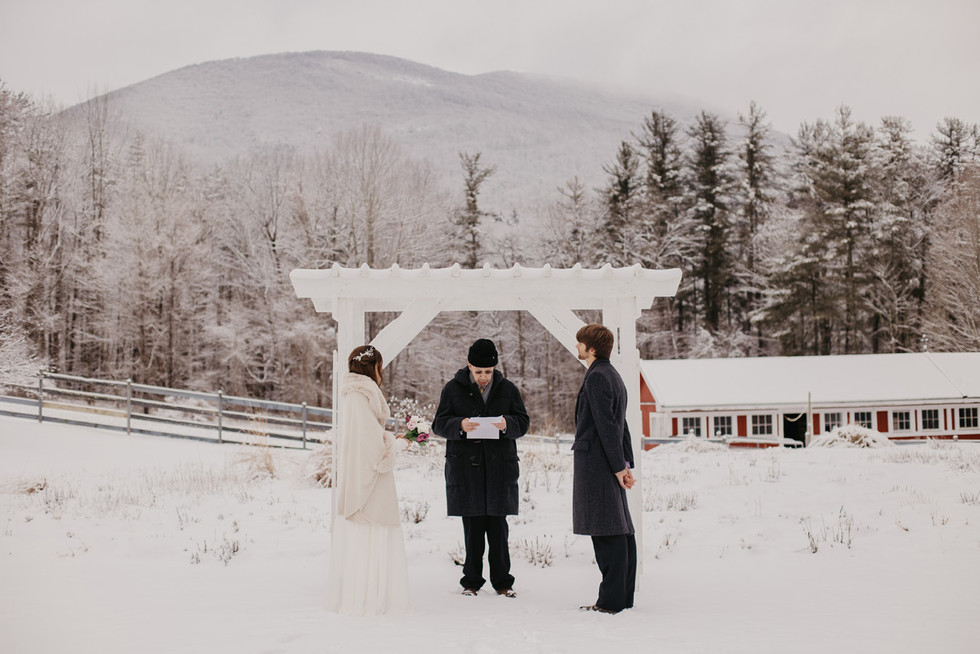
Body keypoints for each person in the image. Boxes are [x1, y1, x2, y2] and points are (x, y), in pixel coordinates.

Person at [432, 338, 530, 598]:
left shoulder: (508, 389)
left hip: (499, 469)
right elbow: (438, 424)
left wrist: (507, 423)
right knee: (472, 528)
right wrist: (459, 426)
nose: (484, 377)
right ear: (469, 366)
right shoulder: (452, 389)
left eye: (488, 372)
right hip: (467, 469)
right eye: (479, 372)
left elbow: (523, 422)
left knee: (499, 530)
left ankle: (503, 582)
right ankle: (471, 582)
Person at [326, 345, 412, 616]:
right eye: (380, 366)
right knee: (371, 533)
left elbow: (369, 437)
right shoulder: (360, 397)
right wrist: (398, 443)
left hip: (369, 475)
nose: (381, 372)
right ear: (372, 367)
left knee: (371, 536)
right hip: (370, 479)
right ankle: (370, 599)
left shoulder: (358, 395)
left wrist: (394, 440)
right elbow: (371, 445)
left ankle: (373, 594)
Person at [572, 323, 637, 614]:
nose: (577, 347)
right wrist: (624, 464)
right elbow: (620, 425)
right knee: (619, 528)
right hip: (608, 461)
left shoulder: (598, 377)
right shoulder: (613, 375)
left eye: (580, 343)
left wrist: (616, 466)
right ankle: (621, 598)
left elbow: (609, 425)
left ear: (592, 348)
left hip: (598, 463)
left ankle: (610, 602)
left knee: (607, 529)